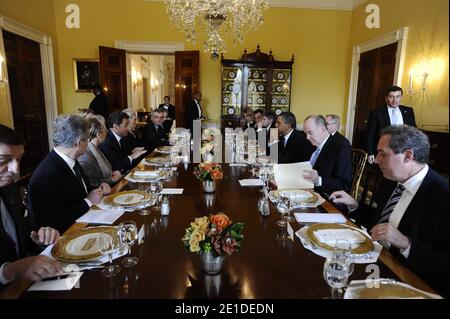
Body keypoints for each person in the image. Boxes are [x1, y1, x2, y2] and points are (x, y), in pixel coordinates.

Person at [330, 125, 448, 296]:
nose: (377, 159)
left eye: (383, 153)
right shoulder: (393, 179)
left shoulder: (443, 196)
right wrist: (354, 204)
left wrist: (407, 244)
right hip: (376, 262)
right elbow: (378, 223)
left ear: (408, 156)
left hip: (409, 281)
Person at [0, 124, 62, 287]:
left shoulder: (10, 189)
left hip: (23, 285)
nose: (15, 169)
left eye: (19, 159)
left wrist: (39, 238)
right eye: (4, 160)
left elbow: (19, 238)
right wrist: (11, 270)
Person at [28, 115, 112, 233]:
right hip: (68, 234)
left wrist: (99, 189)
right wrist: (88, 201)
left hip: (86, 219)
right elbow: (52, 223)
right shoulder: (45, 177)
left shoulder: (71, 158)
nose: (88, 143)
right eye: (87, 140)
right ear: (78, 143)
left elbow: (80, 190)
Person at [303, 115, 352, 195]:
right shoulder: (310, 145)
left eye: (310, 133)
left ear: (323, 129)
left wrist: (318, 180)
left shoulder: (340, 148)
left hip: (326, 197)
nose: (307, 137)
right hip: (306, 191)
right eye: (306, 133)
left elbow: (343, 184)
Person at [366, 86, 416, 164]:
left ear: (401, 97)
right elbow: (370, 134)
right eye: (391, 97)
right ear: (386, 98)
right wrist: (370, 152)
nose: (394, 100)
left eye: (398, 97)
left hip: (404, 150)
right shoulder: (377, 113)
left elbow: (414, 131)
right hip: (385, 150)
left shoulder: (408, 111)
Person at [78, 116, 122, 188]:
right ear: (98, 134)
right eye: (105, 130)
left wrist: (112, 174)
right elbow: (88, 183)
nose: (107, 131)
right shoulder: (86, 155)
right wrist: (112, 179)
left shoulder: (96, 147)